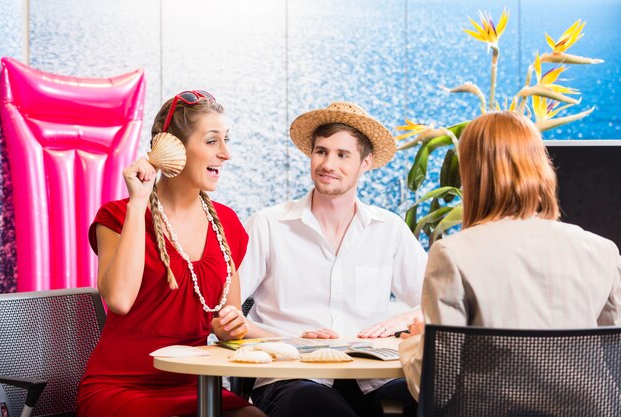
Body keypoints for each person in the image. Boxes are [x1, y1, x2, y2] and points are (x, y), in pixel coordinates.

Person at [399, 111, 621, 406]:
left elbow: (436, 389)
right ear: (542, 167)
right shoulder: (603, 251)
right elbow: (609, 358)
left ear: (471, 175)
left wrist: (416, 342)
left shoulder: (452, 254)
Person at [76, 90, 266, 417]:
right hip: (121, 387)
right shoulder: (118, 216)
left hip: (195, 386)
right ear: (173, 147)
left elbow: (229, 321)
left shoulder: (227, 225)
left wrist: (227, 328)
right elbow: (119, 300)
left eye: (226, 140)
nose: (226, 154)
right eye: (211, 141)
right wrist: (138, 202)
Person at [239, 102, 428, 417]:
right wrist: (290, 338)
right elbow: (227, 313)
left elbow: (435, 303)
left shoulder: (389, 229)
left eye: (342, 155)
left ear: (365, 163)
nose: (328, 164)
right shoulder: (268, 224)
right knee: (314, 404)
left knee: (440, 395)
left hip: (370, 377)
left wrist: (402, 319)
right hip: (290, 374)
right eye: (321, 151)